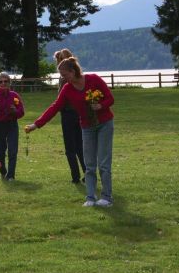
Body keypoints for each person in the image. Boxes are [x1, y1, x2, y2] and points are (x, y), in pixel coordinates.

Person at [25, 57, 115, 207]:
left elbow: (110, 99)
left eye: (64, 74)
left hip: (105, 124)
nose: (63, 78)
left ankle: (106, 197)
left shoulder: (94, 79)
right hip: (87, 127)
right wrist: (36, 124)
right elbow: (55, 107)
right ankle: (90, 198)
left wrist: (101, 106)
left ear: (73, 72)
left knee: (104, 164)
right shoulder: (67, 89)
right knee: (90, 164)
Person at [54, 49, 86, 184]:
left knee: (71, 148)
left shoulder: (64, 80)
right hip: (78, 113)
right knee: (80, 146)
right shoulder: (80, 77)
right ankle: (87, 173)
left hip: (68, 114)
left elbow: (60, 99)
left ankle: (75, 176)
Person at [0, 72, 25, 181]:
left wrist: (15, 111)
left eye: (6, 81)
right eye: (0, 81)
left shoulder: (15, 96)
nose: (3, 83)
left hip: (12, 125)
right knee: (0, 150)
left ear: (9, 83)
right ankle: (3, 170)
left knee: (13, 150)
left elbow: (22, 112)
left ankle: (11, 175)